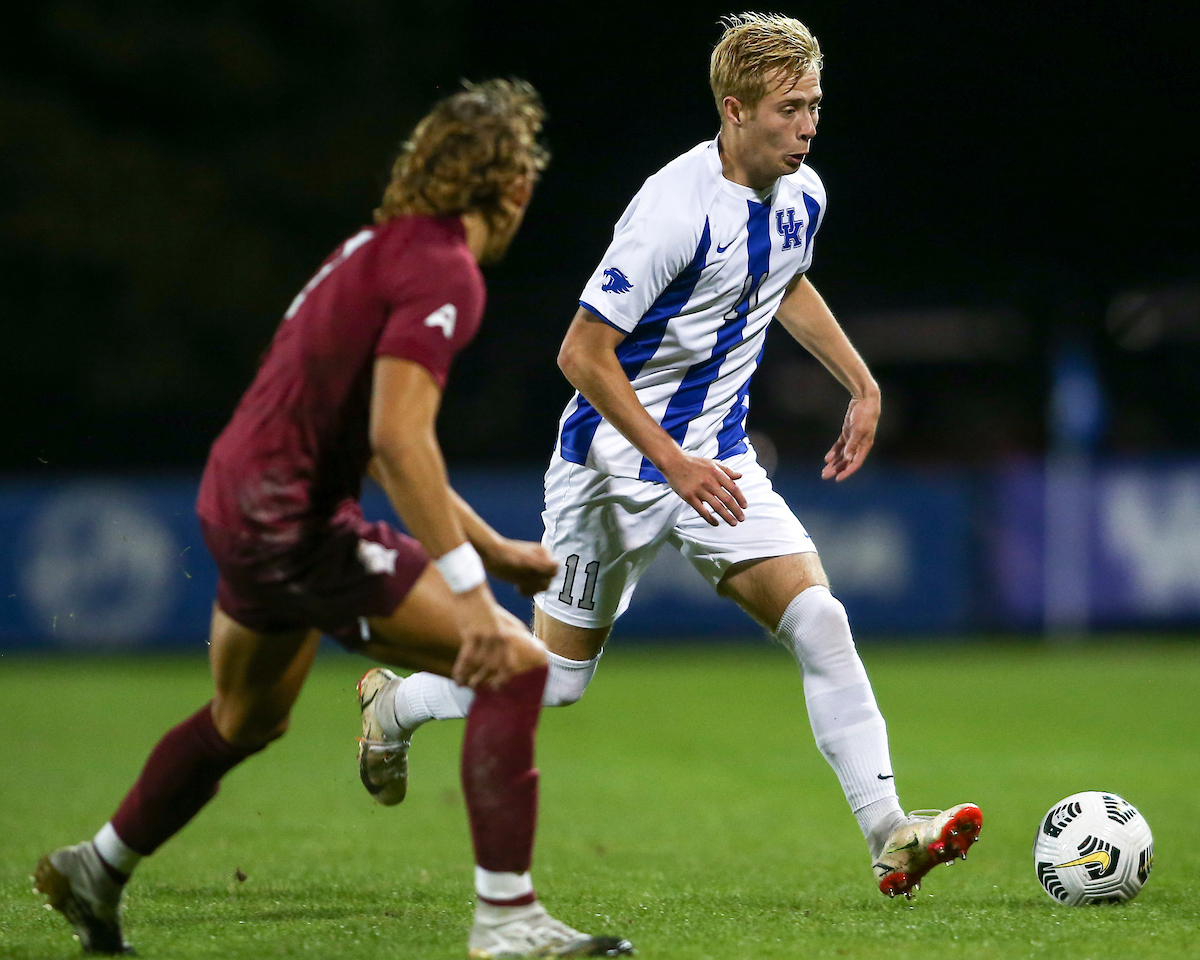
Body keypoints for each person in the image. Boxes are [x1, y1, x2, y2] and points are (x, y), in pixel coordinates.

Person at [359, 16, 982, 901]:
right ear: (734, 109)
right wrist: (670, 463)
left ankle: (890, 831)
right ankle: (399, 702)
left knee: (821, 621)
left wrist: (861, 382)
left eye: (814, 105)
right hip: (611, 469)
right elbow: (580, 354)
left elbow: (785, 279)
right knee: (554, 681)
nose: (809, 124)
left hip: (719, 461)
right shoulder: (671, 211)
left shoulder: (803, 193)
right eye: (789, 108)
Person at [34, 79, 633, 959]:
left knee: (245, 719)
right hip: (297, 521)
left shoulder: (374, 249)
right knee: (511, 665)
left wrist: (495, 550)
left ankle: (97, 865)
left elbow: (369, 432)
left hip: (232, 500)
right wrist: (473, 596)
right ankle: (508, 920)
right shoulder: (444, 271)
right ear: (511, 189)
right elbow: (398, 440)